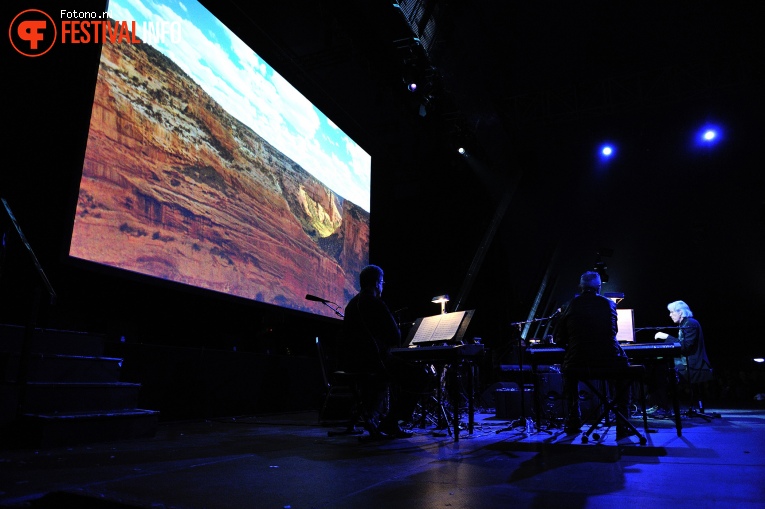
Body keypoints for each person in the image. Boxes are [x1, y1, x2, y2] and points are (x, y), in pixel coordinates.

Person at [342, 264, 433, 439]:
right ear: (377, 283)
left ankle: (379, 418)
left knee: (391, 375)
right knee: (421, 374)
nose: (382, 286)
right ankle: (392, 422)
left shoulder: (352, 304)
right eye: (382, 282)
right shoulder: (374, 302)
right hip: (373, 362)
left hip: (352, 362)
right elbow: (395, 335)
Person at [555, 271, 631, 436]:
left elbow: (559, 339)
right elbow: (614, 332)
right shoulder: (609, 305)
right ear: (599, 287)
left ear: (580, 287)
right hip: (609, 360)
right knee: (624, 372)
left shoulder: (569, 305)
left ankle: (573, 421)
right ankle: (622, 424)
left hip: (578, 362)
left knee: (568, 372)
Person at [655, 300, 713, 411]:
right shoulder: (685, 324)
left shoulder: (690, 323)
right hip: (687, 362)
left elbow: (685, 347)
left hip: (694, 366)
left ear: (680, 312)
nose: (670, 315)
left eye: (672, 312)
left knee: (661, 372)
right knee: (660, 366)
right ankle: (662, 405)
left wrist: (666, 337)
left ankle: (663, 407)